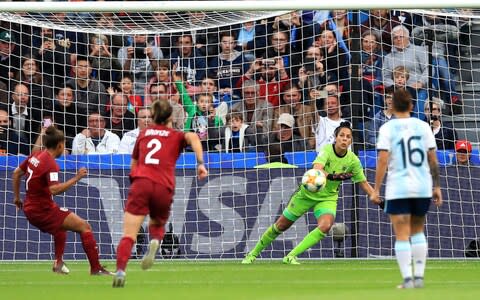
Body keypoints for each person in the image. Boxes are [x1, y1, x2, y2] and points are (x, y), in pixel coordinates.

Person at [242, 121, 375, 264]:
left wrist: (377, 199)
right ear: (335, 137)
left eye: (348, 137)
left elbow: (363, 182)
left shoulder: (353, 160)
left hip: (327, 198)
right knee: (281, 226)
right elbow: (317, 168)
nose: (345, 139)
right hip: (306, 194)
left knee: (325, 226)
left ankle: (291, 256)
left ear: (350, 141)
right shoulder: (327, 150)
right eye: (342, 135)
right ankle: (253, 254)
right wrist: (333, 176)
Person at [112, 100, 208, 288]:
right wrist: (200, 164)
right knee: (157, 222)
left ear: (153, 117)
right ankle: (155, 240)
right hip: (164, 186)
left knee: (129, 234)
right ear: (170, 117)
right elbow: (195, 138)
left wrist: (135, 182)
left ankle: (121, 270)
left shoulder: (143, 134)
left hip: (142, 183)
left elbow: (133, 165)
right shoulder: (176, 135)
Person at [12, 126, 112, 275]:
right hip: (42, 210)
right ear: (59, 145)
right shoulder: (50, 164)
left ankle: (58, 263)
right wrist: (76, 178)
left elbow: (16, 173)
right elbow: (54, 190)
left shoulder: (35, 155)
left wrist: (17, 198)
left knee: (61, 226)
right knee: (84, 227)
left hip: (32, 207)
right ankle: (96, 268)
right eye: (64, 145)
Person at [370, 88, 443, 289]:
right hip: (422, 186)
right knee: (418, 231)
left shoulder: (387, 128)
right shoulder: (423, 126)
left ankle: (407, 280)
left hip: (398, 187)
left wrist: (376, 189)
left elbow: (383, 160)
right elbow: (433, 159)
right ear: (412, 105)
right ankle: (419, 277)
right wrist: (437, 186)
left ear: (392, 106)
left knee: (401, 234)